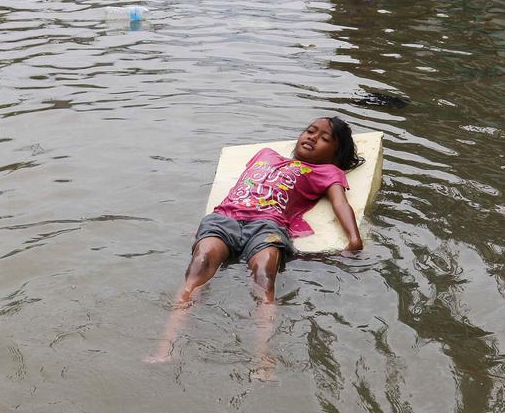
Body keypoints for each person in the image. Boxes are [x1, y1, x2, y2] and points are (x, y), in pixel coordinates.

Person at [148, 117, 364, 369]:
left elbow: (340, 203)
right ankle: (165, 348)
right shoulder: (265, 154)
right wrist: (198, 230)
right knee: (201, 262)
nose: (312, 138)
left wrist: (354, 239)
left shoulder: (327, 172)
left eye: (325, 139)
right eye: (310, 131)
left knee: (264, 275)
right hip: (225, 217)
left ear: (335, 156)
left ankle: (262, 359)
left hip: (268, 225)